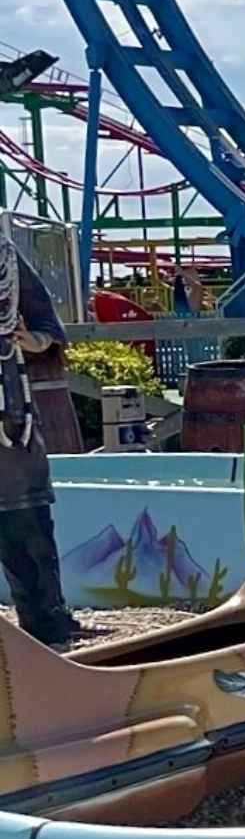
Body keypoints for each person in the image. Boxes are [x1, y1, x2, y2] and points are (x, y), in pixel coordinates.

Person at [0, 237, 79, 645]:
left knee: (25, 515)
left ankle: (47, 620)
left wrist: (30, 340)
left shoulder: (4, 257)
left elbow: (44, 325)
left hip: (11, 412)